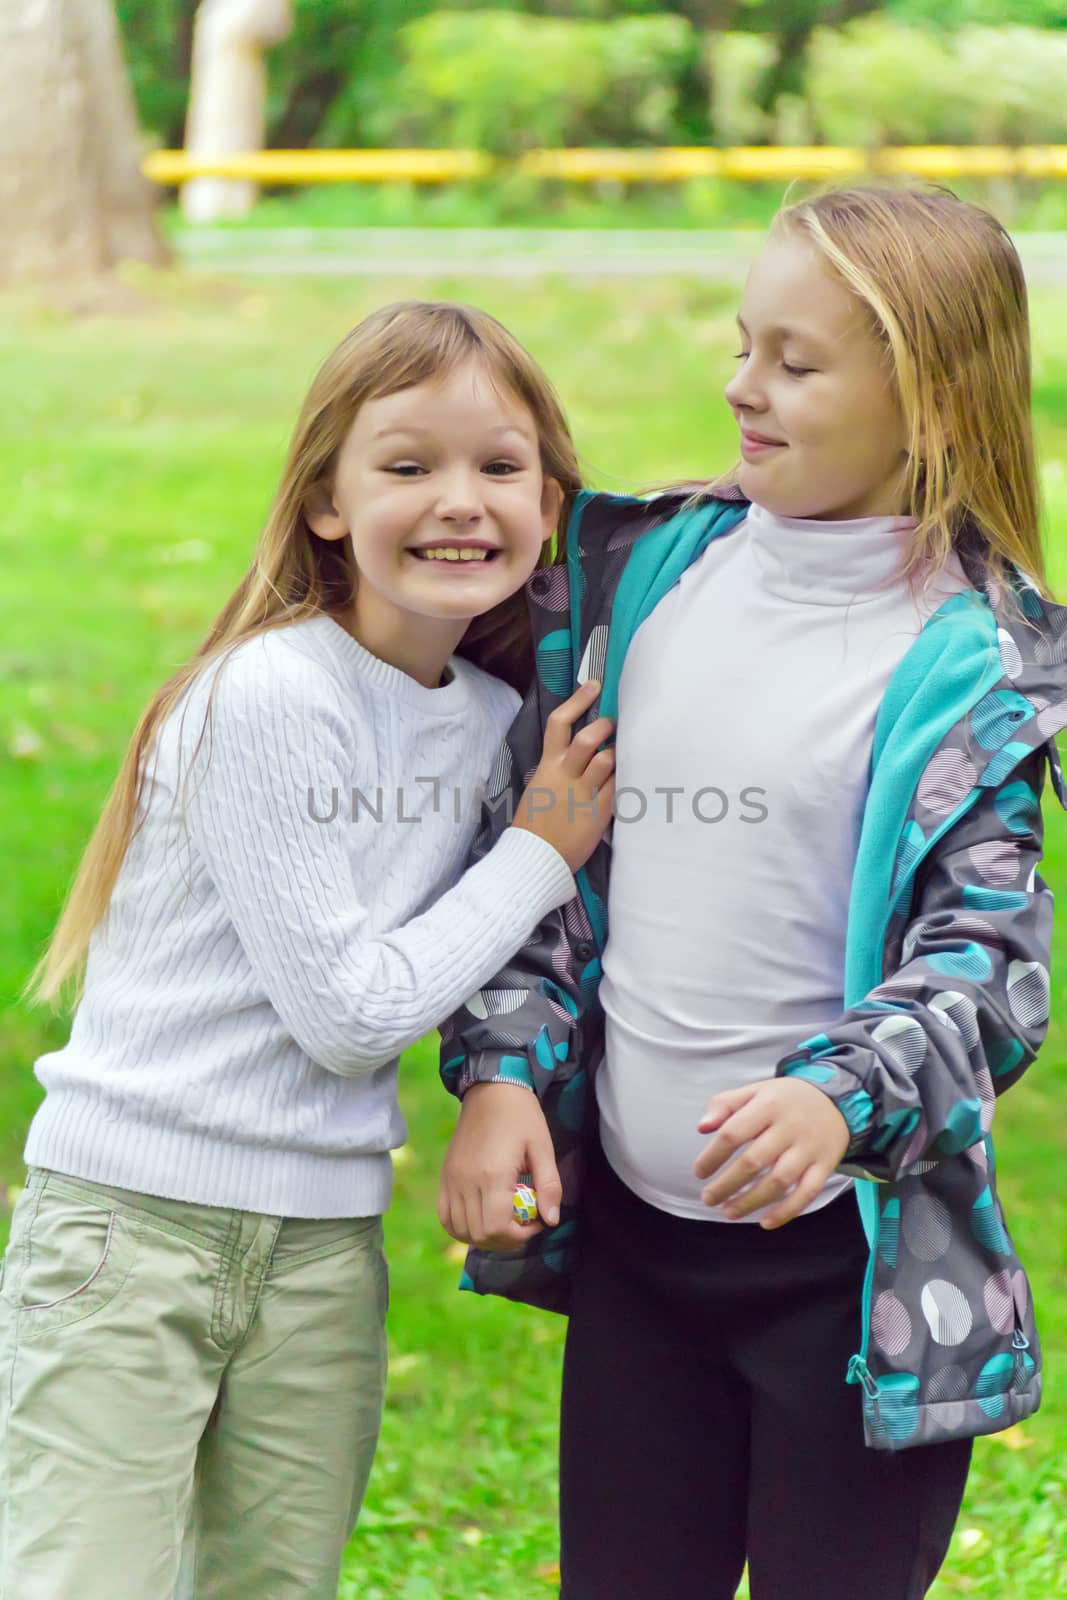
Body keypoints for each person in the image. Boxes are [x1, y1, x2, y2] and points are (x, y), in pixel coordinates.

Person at [438, 185, 1067, 1599]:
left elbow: (988, 970)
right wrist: (501, 1079)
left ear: (930, 394)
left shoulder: (971, 665)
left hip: (844, 1287)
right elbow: (549, 864)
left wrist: (836, 1097)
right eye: (743, 345)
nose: (740, 385)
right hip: (640, 1273)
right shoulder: (647, 575)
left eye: (796, 361)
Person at [3, 300, 616, 1600]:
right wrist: (537, 850)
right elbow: (347, 1015)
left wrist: (504, 1081)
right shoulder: (270, 695)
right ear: (328, 502)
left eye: (499, 467)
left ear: (551, 504)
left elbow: (497, 955)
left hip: (323, 1247)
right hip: (131, 1232)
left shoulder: (506, 719)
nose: (461, 500)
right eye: (408, 466)